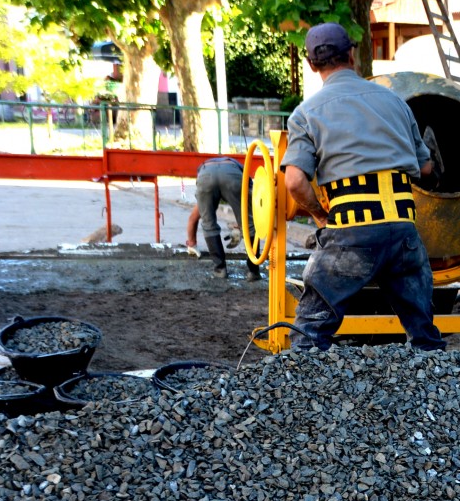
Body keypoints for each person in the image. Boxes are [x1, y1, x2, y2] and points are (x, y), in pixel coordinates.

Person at [280, 23, 445, 352]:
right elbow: (427, 168)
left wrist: (319, 214)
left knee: (309, 335)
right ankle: (434, 378)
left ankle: (301, 380)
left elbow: (295, 181)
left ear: (311, 64)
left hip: (351, 234)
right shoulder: (396, 103)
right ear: (352, 55)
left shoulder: (306, 114)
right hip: (403, 234)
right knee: (424, 335)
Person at [185, 156, 262, 281]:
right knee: (250, 225)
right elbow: (252, 208)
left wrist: (192, 243)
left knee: (208, 223)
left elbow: (193, 218)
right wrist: (242, 227)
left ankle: (220, 269)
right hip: (232, 175)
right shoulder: (238, 168)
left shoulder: (204, 174)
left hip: (206, 175)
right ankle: (253, 272)